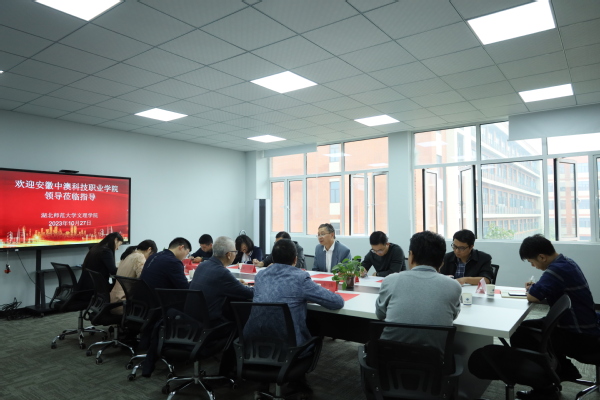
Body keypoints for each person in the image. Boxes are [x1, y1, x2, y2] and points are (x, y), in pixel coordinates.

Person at [469, 234, 600, 400]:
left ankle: (547, 385)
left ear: (542, 257)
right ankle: (558, 371)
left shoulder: (555, 270)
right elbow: (542, 290)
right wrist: (535, 288)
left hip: (579, 335)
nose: (533, 266)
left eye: (532, 262)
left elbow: (533, 297)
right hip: (583, 323)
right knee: (521, 330)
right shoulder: (566, 262)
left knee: (523, 336)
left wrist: (532, 289)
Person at [244, 238, 344, 347]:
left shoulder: (260, 276)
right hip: (289, 347)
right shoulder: (300, 277)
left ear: (272, 258)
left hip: (254, 344)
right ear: (295, 259)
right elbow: (337, 302)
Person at [375, 230, 461, 352]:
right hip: (432, 359)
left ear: (411, 256)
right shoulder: (454, 286)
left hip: (389, 355)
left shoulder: (391, 280)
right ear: (442, 262)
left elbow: (380, 314)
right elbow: (453, 316)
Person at [189, 236, 254, 325]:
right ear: (228, 255)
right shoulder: (222, 273)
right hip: (210, 324)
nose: (236, 254)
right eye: (235, 252)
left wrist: (235, 284)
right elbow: (249, 293)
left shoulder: (202, 265)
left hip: (192, 320)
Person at [110, 239, 158, 314]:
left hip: (114, 302)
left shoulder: (128, 255)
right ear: (149, 249)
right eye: (151, 256)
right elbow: (143, 279)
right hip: (123, 303)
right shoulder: (139, 257)